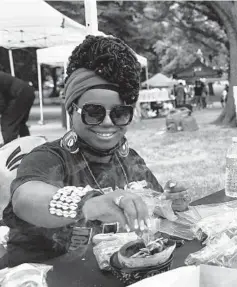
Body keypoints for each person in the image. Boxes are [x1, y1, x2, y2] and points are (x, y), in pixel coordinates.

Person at [0, 35, 191, 268]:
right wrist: (89, 204)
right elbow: (25, 200)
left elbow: (151, 208)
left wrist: (168, 203)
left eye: (120, 113)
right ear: (72, 109)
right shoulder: (48, 159)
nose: (108, 123)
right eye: (94, 112)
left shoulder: (129, 160)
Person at [0, 72, 35, 145]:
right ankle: (27, 145)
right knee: (20, 123)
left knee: (8, 122)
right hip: (27, 91)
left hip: (20, 94)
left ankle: (10, 149)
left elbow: (2, 102)